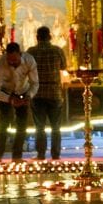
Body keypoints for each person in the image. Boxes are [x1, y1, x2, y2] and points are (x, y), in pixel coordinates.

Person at [0, 42, 37, 162]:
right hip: (5, 93)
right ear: (6, 57)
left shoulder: (29, 61)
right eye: (10, 61)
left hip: (23, 91)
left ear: (21, 54)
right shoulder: (0, 64)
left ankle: (17, 156)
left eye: (15, 60)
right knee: (4, 123)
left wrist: (29, 96)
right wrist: (9, 99)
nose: (13, 63)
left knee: (22, 125)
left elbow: (35, 83)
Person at [26, 26, 65, 161]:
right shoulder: (57, 51)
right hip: (54, 92)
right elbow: (64, 66)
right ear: (50, 37)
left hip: (37, 93)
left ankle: (41, 154)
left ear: (37, 38)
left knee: (40, 127)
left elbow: (25, 69)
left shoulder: (31, 52)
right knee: (56, 127)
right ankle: (56, 154)